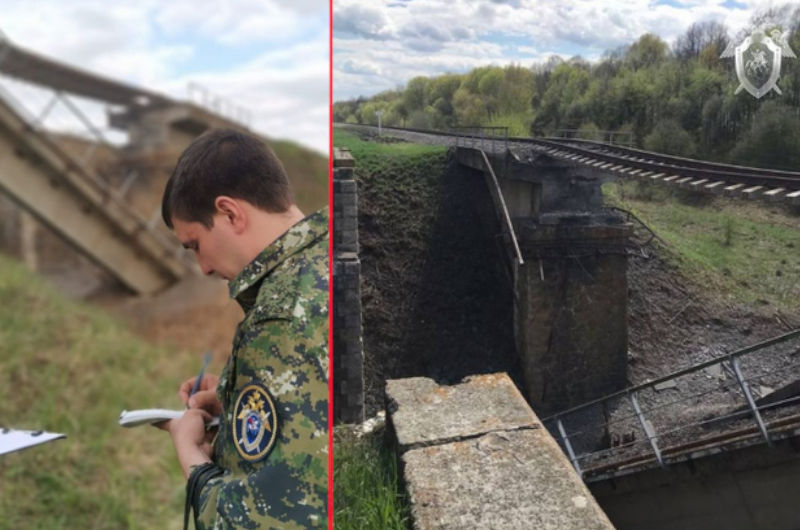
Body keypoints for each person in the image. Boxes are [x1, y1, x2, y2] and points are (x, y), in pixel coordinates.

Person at [157, 128, 328, 529]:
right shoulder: (322, 262)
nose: (202, 267)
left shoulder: (281, 317)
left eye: (195, 244)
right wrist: (235, 401)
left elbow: (265, 519)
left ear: (230, 213)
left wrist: (191, 456)